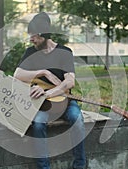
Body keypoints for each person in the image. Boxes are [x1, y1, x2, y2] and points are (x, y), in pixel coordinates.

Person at [13, 12, 86, 169]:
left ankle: (79, 165)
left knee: (77, 121)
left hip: (65, 102)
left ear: (43, 35)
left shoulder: (64, 52)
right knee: (38, 124)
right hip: (43, 104)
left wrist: (50, 93)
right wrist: (43, 72)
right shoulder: (30, 52)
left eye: (34, 35)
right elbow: (17, 74)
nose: (31, 39)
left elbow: (70, 81)